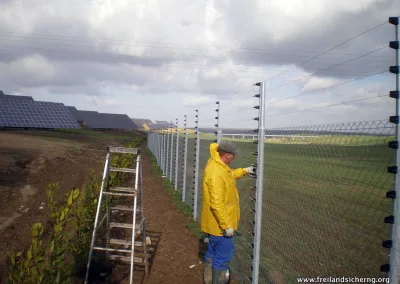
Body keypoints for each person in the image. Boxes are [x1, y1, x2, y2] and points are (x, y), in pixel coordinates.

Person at [200, 140, 255, 284]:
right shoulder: (217, 172)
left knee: (212, 251)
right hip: (220, 226)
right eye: (233, 155)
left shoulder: (216, 163)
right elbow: (216, 203)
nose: (234, 158)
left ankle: (208, 279)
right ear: (228, 155)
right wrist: (227, 226)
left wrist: (244, 171)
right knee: (223, 256)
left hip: (213, 223)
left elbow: (229, 175)